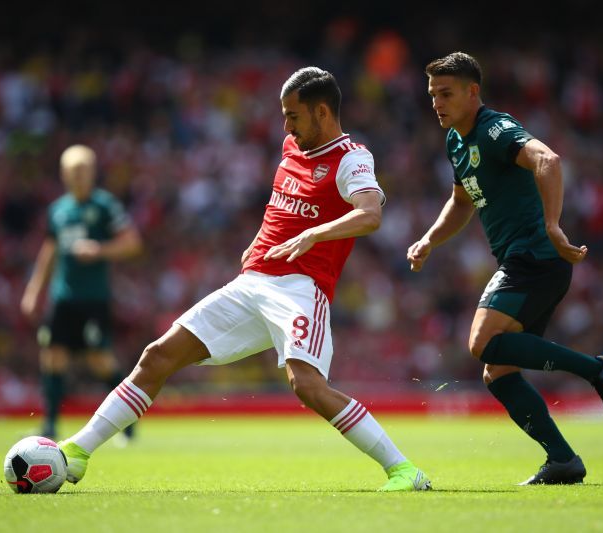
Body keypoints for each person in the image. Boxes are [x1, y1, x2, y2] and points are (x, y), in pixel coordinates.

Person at [58, 67, 431, 492]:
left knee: (306, 385)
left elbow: (370, 215)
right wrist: (256, 240)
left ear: (323, 112)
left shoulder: (351, 158)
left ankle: (404, 470)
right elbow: (282, 206)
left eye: (294, 116)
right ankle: (77, 451)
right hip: (253, 282)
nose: (286, 126)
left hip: (300, 288)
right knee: (157, 355)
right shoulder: (292, 145)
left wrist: (314, 234)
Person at [407, 52, 603, 485]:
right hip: (521, 260)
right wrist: (430, 238)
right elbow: (462, 200)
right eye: (433, 94)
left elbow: (548, 160)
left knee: (482, 343)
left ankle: (600, 368)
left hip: (536, 257)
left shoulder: (493, 128)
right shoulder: (455, 139)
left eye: (446, 93)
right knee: (498, 372)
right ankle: (563, 460)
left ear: (474, 92)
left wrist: (552, 225)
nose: (437, 102)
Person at [21, 144, 143, 440]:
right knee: (52, 356)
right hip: (62, 298)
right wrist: (34, 290)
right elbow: (49, 250)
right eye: (74, 170)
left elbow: (132, 243)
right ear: (64, 174)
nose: (80, 176)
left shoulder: (104, 206)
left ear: (93, 172)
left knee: (99, 360)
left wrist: (99, 250)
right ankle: (49, 424)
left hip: (93, 299)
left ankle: (127, 420)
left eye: (85, 169)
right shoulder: (58, 210)